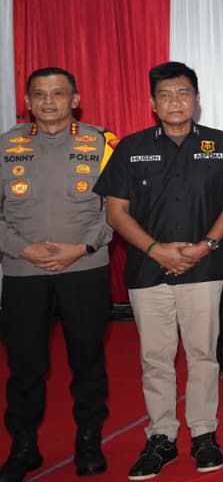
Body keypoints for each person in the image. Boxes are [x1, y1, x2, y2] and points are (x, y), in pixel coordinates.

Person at [95, 61, 223, 481]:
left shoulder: (221, 144)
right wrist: (157, 250)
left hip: (204, 267)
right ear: (152, 103)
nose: (175, 102)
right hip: (147, 269)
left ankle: (204, 433)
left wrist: (205, 246)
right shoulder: (130, 147)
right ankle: (161, 436)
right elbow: (115, 212)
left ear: (197, 99)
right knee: (155, 357)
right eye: (165, 95)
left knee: (203, 355)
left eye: (183, 93)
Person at [0, 68, 115, 481]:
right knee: (24, 366)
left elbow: (116, 209)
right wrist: (22, 248)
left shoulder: (101, 143)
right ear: (27, 102)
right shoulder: (5, 146)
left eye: (58, 94)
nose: (49, 102)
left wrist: (82, 247)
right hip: (22, 270)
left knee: (88, 360)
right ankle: (24, 446)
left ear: (75, 100)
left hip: (84, 268)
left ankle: (88, 441)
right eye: (40, 94)